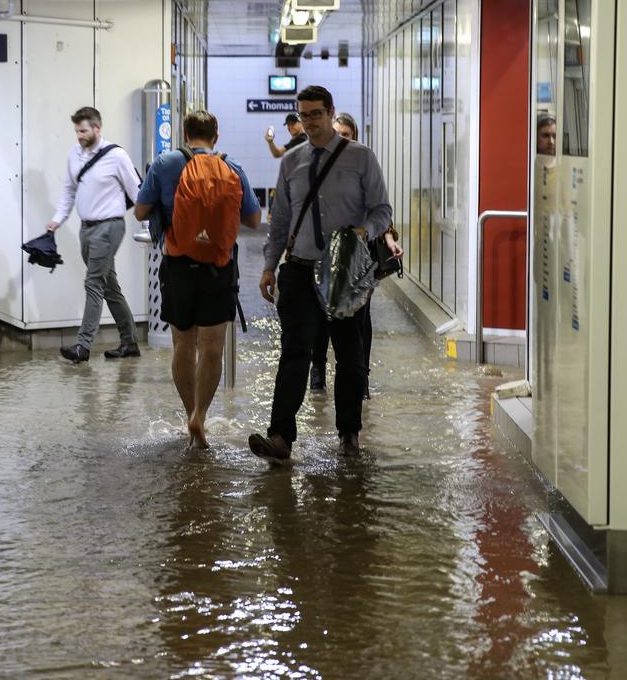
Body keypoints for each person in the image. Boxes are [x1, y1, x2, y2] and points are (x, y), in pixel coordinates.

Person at [249, 85, 402, 461]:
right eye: (304, 115)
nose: (310, 121)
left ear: (331, 113)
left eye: (317, 114)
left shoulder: (361, 158)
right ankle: (281, 437)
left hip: (345, 270)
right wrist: (269, 267)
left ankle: (349, 435)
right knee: (294, 352)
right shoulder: (291, 162)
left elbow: (382, 209)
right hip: (300, 269)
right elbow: (280, 219)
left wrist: (364, 231)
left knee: (348, 355)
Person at [134, 109, 261, 450]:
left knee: (183, 346)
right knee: (212, 348)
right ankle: (201, 415)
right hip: (219, 267)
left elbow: (140, 211)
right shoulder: (231, 166)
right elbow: (252, 218)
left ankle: (188, 410)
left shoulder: (164, 164)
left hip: (178, 266)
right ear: (215, 136)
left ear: (185, 134)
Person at [310, 111, 397, 400]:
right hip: (324, 254)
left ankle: (360, 378)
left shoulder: (363, 165)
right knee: (323, 314)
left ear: (354, 137)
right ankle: (318, 373)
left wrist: (386, 238)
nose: (341, 140)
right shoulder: (317, 166)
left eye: (346, 135)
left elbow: (381, 211)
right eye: (338, 134)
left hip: (359, 253)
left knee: (361, 316)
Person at [46, 106, 142, 364]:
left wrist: (149, 226)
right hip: (86, 228)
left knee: (93, 283)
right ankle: (130, 341)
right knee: (109, 286)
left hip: (110, 227)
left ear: (97, 128)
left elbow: (137, 193)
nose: (79, 135)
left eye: (84, 130)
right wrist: (57, 221)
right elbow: (68, 190)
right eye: (77, 131)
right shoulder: (74, 155)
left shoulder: (116, 156)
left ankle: (83, 345)